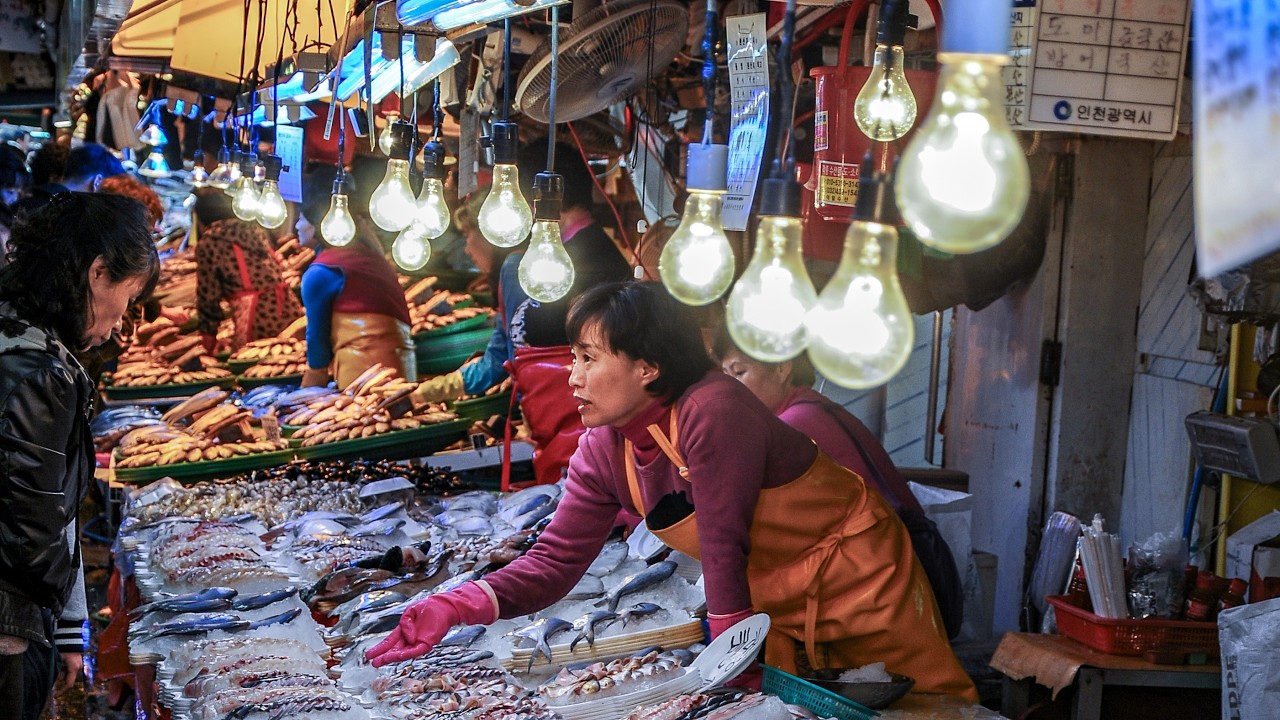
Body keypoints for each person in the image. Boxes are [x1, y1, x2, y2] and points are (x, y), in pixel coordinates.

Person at [369, 281, 978, 702]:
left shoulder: (715, 408)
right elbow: (554, 562)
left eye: (587, 357)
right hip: (773, 612)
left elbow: (722, 543)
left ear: (648, 367)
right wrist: (457, 604)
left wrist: (726, 661)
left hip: (859, 584)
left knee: (917, 705)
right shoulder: (604, 448)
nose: (572, 377)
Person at [0, 192, 160, 720]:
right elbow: (33, 528)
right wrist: (44, 629)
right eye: (129, 295)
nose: (122, 321)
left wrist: (68, 624)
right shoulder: (40, 372)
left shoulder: (15, 332)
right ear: (98, 274)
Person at [714, 333, 965, 639]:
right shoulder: (814, 407)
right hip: (907, 565)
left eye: (740, 372)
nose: (731, 387)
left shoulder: (794, 424)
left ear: (782, 368)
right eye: (725, 375)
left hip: (892, 579)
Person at [410, 141, 632, 485]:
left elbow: (516, 352)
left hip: (587, 438)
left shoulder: (561, 262)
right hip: (576, 437)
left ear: (536, 198)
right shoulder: (589, 252)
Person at [296, 166, 415, 389]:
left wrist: (295, 402)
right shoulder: (369, 255)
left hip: (364, 382)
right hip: (403, 377)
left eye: (300, 218)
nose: (296, 225)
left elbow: (318, 356)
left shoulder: (321, 272)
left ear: (315, 224)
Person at [192, 188, 303, 352]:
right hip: (289, 309)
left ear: (201, 220)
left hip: (258, 318)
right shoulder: (254, 230)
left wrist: (208, 340)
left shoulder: (210, 241)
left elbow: (208, 298)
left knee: (255, 363)